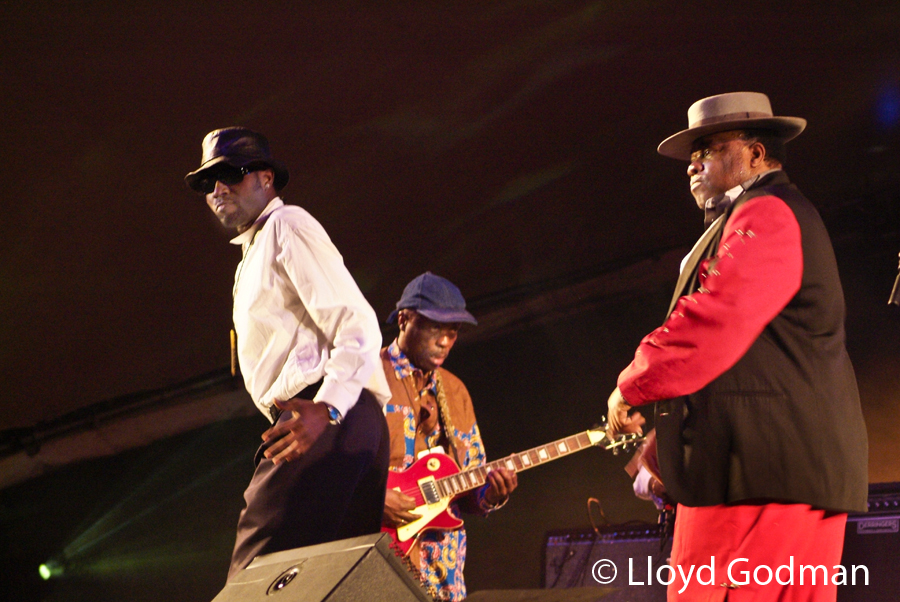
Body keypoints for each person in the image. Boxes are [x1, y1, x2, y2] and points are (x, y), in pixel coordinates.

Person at [605, 92, 868, 601]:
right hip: (779, 467)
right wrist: (668, 449)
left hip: (761, 475)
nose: (692, 165)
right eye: (690, 155)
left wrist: (631, 385)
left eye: (708, 148)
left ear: (754, 155)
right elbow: (746, 358)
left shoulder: (767, 212)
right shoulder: (756, 217)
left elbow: (714, 321)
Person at [184, 127, 392, 581]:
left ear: (265, 178)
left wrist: (327, 408)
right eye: (207, 182)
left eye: (230, 174)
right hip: (348, 422)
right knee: (331, 581)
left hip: (325, 415)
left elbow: (357, 322)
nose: (218, 189)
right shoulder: (254, 250)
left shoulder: (286, 224)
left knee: (255, 575)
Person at [380, 272, 518, 601]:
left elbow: (471, 484)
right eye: (435, 328)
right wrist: (371, 497)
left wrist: (491, 494)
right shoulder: (366, 377)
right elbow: (328, 469)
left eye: (453, 331)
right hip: (382, 557)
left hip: (444, 567)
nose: (445, 340)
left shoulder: (456, 391)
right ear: (404, 320)